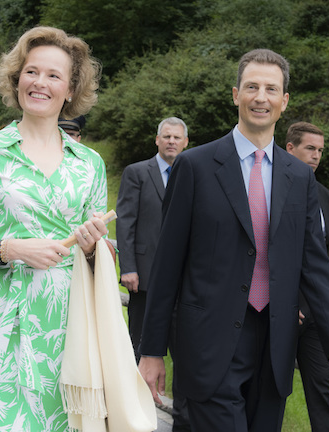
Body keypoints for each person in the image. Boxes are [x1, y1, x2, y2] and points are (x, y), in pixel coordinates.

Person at [138, 49, 329, 431]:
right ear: (236, 94)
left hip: (274, 347)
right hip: (208, 346)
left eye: (271, 89)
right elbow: (167, 265)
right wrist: (152, 350)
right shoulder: (195, 167)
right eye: (252, 87)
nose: (261, 97)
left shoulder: (300, 177)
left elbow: (316, 266)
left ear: (284, 100)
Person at [0, 26, 107, 432]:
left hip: (68, 331)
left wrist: (94, 248)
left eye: (53, 75)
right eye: (31, 71)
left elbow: (100, 258)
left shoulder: (89, 164)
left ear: (70, 88)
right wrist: (6, 249)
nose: (39, 83)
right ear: (16, 78)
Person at [116, 116, 189, 430]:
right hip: (143, 279)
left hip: (183, 283)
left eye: (177, 137)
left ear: (186, 143)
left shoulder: (192, 174)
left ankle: (180, 415)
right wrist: (128, 267)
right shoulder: (137, 173)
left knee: (184, 350)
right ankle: (131, 412)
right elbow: (125, 222)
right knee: (139, 345)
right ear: (157, 140)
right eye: (167, 136)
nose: (172, 141)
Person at [285, 121, 329, 431]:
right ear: (290, 148)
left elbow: (328, 261)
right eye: (310, 148)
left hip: (317, 316)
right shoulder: (269, 189)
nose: (316, 156)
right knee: (270, 392)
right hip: (280, 312)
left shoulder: (322, 195)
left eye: (320, 150)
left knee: (322, 392)